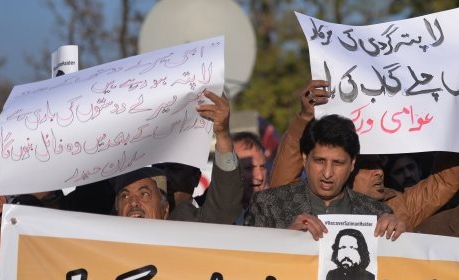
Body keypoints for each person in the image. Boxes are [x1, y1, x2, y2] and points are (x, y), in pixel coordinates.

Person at [269, 80, 459, 231]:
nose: (379, 172)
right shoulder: (305, 200)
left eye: (380, 165)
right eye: (369, 165)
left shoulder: (395, 208)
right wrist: (306, 116)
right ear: (349, 167)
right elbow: (281, 185)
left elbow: (444, 182)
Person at [245, 114, 405, 241]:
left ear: (352, 164)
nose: (327, 173)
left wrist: (398, 238)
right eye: (320, 161)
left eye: (338, 163)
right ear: (304, 158)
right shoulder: (267, 205)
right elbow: (250, 266)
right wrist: (287, 240)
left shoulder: (376, 214)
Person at [113, 89, 243, 224]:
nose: (133, 202)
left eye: (144, 194)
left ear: (165, 211)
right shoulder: (102, 236)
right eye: (124, 196)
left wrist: (222, 134)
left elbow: (224, 205)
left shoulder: (186, 226)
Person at [232, 131, 268, 224]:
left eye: (263, 167)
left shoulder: (276, 209)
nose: (260, 177)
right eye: (249, 168)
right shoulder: (207, 213)